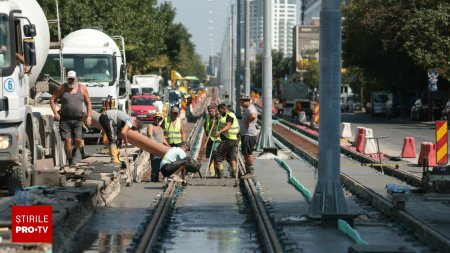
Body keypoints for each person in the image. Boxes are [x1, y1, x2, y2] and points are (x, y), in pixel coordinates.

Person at [50, 70, 92, 166]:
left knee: (78, 140)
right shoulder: (62, 88)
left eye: (72, 79)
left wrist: (89, 117)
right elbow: (52, 100)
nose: (71, 81)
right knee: (68, 140)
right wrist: (55, 113)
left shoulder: (82, 88)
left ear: (76, 79)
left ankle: (72, 152)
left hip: (78, 119)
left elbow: (88, 103)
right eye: (69, 79)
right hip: (65, 119)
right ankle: (70, 161)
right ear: (67, 79)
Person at [214, 103, 240, 178]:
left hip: (228, 139)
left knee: (218, 156)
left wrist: (219, 132)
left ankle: (220, 173)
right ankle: (234, 173)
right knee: (231, 156)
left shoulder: (229, 116)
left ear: (224, 109)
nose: (220, 113)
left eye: (220, 111)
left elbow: (228, 126)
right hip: (233, 139)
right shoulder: (231, 114)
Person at [240, 94, 259, 176]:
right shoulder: (247, 109)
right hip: (246, 134)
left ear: (247, 101)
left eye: (242, 101)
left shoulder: (251, 108)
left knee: (247, 153)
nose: (241, 103)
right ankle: (248, 171)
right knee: (245, 153)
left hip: (249, 134)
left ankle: (250, 172)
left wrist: (247, 122)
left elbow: (253, 116)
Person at [147, 112, 169, 182]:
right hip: (154, 148)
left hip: (161, 148)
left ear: (160, 120)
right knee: (155, 164)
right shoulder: (151, 126)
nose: (157, 120)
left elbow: (163, 139)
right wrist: (155, 145)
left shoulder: (160, 128)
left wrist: (169, 146)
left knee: (161, 163)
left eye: (158, 119)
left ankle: (157, 178)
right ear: (154, 119)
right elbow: (150, 135)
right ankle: (154, 180)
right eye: (156, 118)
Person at [203, 105, 220, 176]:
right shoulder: (207, 117)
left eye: (212, 111)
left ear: (215, 110)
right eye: (209, 111)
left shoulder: (219, 117)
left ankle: (218, 171)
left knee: (215, 155)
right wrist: (207, 134)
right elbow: (205, 125)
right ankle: (212, 172)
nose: (211, 112)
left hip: (217, 139)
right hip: (210, 138)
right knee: (210, 156)